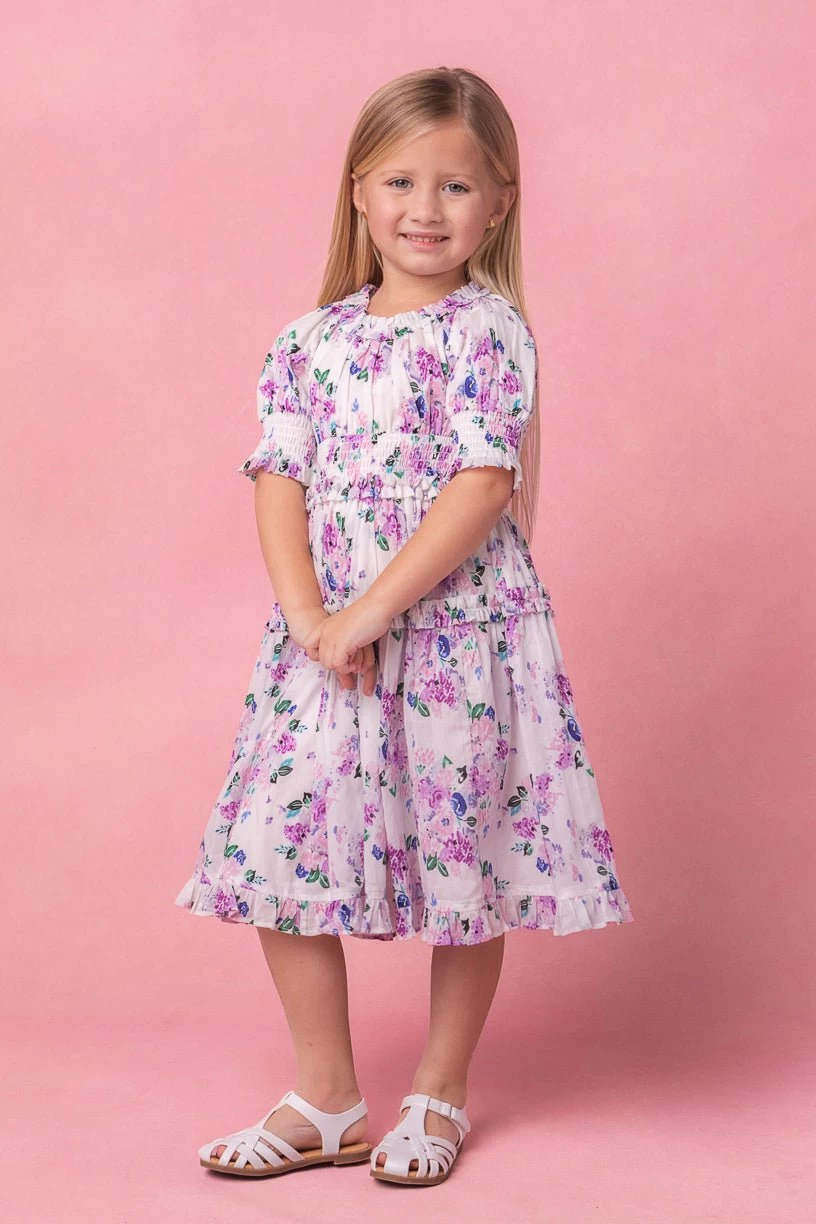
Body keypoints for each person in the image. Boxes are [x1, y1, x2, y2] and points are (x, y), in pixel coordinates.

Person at [174, 65, 634, 1188]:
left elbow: (481, 485)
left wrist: (372, 611)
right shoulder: (308, 341)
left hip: (456, 640)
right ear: (358, 193)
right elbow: (278, 477)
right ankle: (326, 1096)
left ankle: (439, 1089)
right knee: (280, 842)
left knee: (464, 853)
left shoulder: (489, 331)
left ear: (500, 204)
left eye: (456, 187)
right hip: (326, 639)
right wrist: (312, 619)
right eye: (400, 181)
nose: (426, 209)